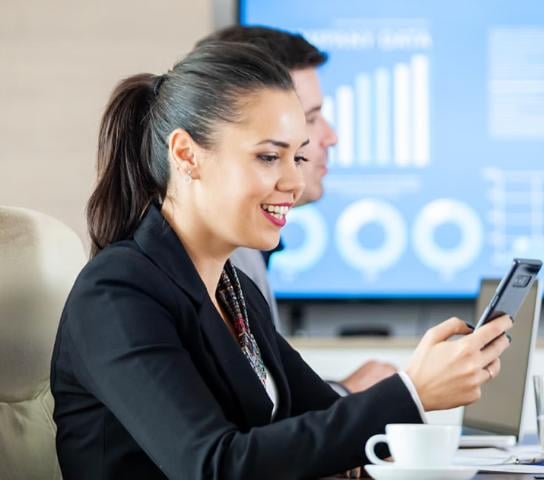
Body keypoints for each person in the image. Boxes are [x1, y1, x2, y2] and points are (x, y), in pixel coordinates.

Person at [50, 42, 512, 479]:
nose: (293, 181)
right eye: (270, 157)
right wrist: (412, 392)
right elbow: (214, 466)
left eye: (298, 157)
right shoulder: (117, 292)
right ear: (187, 155)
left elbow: (322, 422)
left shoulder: (234, 292)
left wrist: (427, 378)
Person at [196, 25, 396, 394]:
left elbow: (271, 406)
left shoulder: (244, 264)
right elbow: (238, 435)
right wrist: (357, 396)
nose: (328, 137)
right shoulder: (216, 262)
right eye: (310, 118)